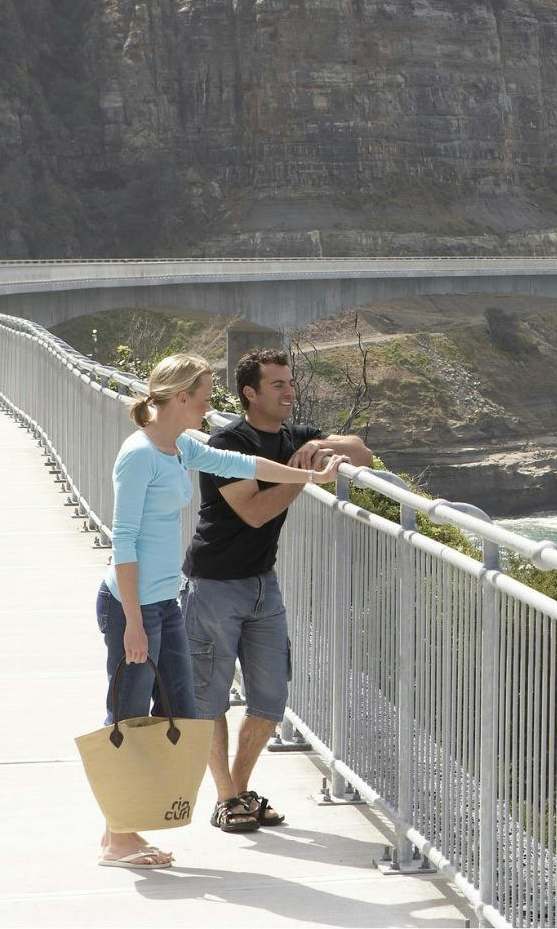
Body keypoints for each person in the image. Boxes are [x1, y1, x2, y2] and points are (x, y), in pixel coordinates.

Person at [97, 353, 344, 869]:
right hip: (133, 606)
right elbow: (122, 541)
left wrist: (311, 477)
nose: (212, 405)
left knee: (181, 716)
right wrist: (135, 623)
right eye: (206, 396)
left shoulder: (180, 444)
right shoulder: (139, 454)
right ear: (182, 397)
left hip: (165, 600)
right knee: (127, 716)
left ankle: (135, 824)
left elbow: (244, 465)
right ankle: (117, 837)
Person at [182, 348, 373, 834]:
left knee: (271, 697)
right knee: (210, 699)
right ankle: (228, 797)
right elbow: (254, 512)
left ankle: (237, 793)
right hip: (213, 584)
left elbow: (362, 451)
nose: (290, 393)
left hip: (263, 583)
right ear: (250, 393)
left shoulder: (291, 435)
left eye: (290, 384)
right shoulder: (228, 443)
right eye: (278, 386)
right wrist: (307, 475)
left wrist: (321, 451)